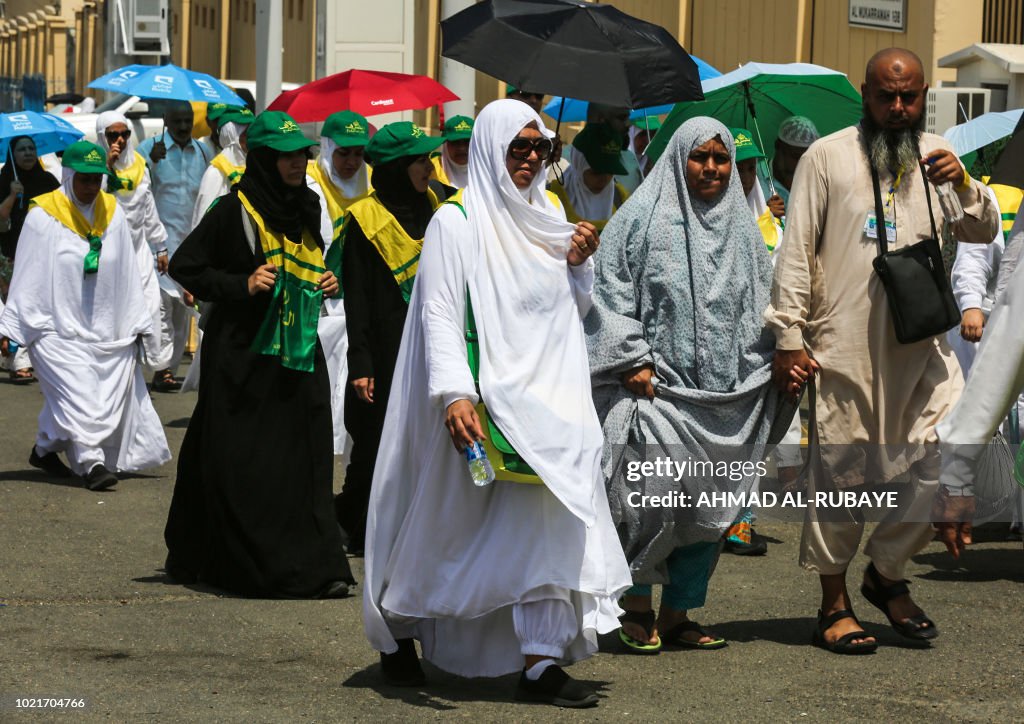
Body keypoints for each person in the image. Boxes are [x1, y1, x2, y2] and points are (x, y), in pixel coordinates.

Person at [363, 98, 631, 707]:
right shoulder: (455, 221)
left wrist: (577, 264)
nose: (533, 159)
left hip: (548, 405)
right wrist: (455, 394)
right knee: (449, 529)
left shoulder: (550, 213)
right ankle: (403, 628)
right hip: (482, 403)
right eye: (520, 148)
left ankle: (540, 663)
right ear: (490, 148)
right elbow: (437, 311)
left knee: (548, 530)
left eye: (542, 149)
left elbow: (573, 310)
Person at [765, 48, 999, 653]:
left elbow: (982, 229)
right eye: (885, 96)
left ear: (923, 97)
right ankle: (834, 603)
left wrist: (966, 183)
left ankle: (887, 573)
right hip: (843, 346)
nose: (898, 108)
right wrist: (789, 337)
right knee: (842, 477)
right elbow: (795, 252)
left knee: (944, 454)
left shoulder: (937, 155)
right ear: (866, 95)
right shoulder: (826, 157)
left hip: (922, 347)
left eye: (910, 97)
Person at [586, 117, 792, 653]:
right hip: (655, 391)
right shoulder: (637, 221)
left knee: (711, 507)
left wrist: (776, 363)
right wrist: (631, 357)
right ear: (679, 158)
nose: (711, 169)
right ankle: (634, 606)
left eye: (721, 160)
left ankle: (679, 613)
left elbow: (764, 307)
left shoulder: (746, 233)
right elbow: (607, 295)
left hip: (725, 399)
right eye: (700, 157)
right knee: (645, 497)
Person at [163, 111, 353, 598]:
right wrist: (239, 284)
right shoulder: (233, 211)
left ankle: (318, 566)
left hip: (298, 356)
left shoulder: (306, 205)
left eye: (301, 155)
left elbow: (314, 260)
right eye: (286, 156)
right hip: (245, 363)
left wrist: (330, 281)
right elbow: (187, 265)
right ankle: (251, 565)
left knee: (304, 460)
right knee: (246, 464)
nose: (297, 164)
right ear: (264, 159)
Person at [0, 140, 170, 491]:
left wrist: (136, 322)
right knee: (80, 395)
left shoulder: (113, 212)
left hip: (105, 328)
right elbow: (27, 276)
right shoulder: (42, 216)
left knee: (91, 395)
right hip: (54, 329)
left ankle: (44, 448)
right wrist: (14, 328)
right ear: (68, 176)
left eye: (97, 179)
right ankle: (91, 463)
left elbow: (126, 272)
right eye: (85, 180)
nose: (92, 187)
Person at [338, 121, 443, 553]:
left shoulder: (441, 206)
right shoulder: (365, 219)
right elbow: (356, 298)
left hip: (431, 343)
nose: (429, 168)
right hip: (383, 349)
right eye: (420, 160)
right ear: (398, 166)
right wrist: (361, 363)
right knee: (375, 442)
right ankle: (358, 524)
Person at [306, 110, 372, 459]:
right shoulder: (309, 186)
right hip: (319, 314)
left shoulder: (372, 184)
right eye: (343, 152)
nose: (351, 161)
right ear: (327, 148)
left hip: (357, 313)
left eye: (358, 153)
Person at [136, 101, 212, 392]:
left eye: (187, 121)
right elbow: (134, 189)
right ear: (165, 120)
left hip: (189, 245)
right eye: (177, 121)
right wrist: (151, 163)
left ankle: (168, 364)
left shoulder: (203, 152)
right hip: (157, 244)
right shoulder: (148, 150)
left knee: (182, 312)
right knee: (160, 309)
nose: (182, 127)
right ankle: (162, 368)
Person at [96, 111, 171, 378]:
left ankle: (152, 367)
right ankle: (114, 371)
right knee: (114, 314)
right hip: (107, 253)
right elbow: (91, 203)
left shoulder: (140, 164)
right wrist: (106, 166)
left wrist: (160, 246)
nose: (119, 140)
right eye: (112, 135)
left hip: (138, 250)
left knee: (150, 307)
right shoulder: (95, 166)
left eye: (124, 134)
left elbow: (148, 207)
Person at [0, 135, 59, 383]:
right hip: (11, 253)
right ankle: (18, 362)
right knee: (17, 305)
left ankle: (28, 357)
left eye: (31, 148)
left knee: (40, 306)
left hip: (43, 252)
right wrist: (13, 196)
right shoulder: (4, 182)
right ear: (12, 155)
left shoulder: (47, 181)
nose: (27, 153)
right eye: (21, 149)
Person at [548, 123, 629, 231]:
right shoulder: (551, 196)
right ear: (578, 165)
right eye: (596, 172)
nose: (604, 179)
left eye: (610, 171)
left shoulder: (621, 199)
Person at [191, 105, 254, 229]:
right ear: (232, 135)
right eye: (245, 134)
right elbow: (203, 222)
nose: (251, 138)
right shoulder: (216, 173)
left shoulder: (254, 166)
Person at [761, 115, 819, 207]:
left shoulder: (816, 182)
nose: (801, 165)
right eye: (795, 157)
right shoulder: (752, 179)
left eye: (807, 158)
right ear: (778, 146)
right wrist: (764, 216)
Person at [586, 103, 644, 193]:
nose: (629, 124)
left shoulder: (631, 160)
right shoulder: (567, 161)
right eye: (622, 118)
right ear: (601, 121)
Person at [430, 114, 473, 193]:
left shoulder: (488, 172)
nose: (462, 148)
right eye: (455, 142)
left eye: (467, 142)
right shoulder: (430, 171)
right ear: (445, 145)